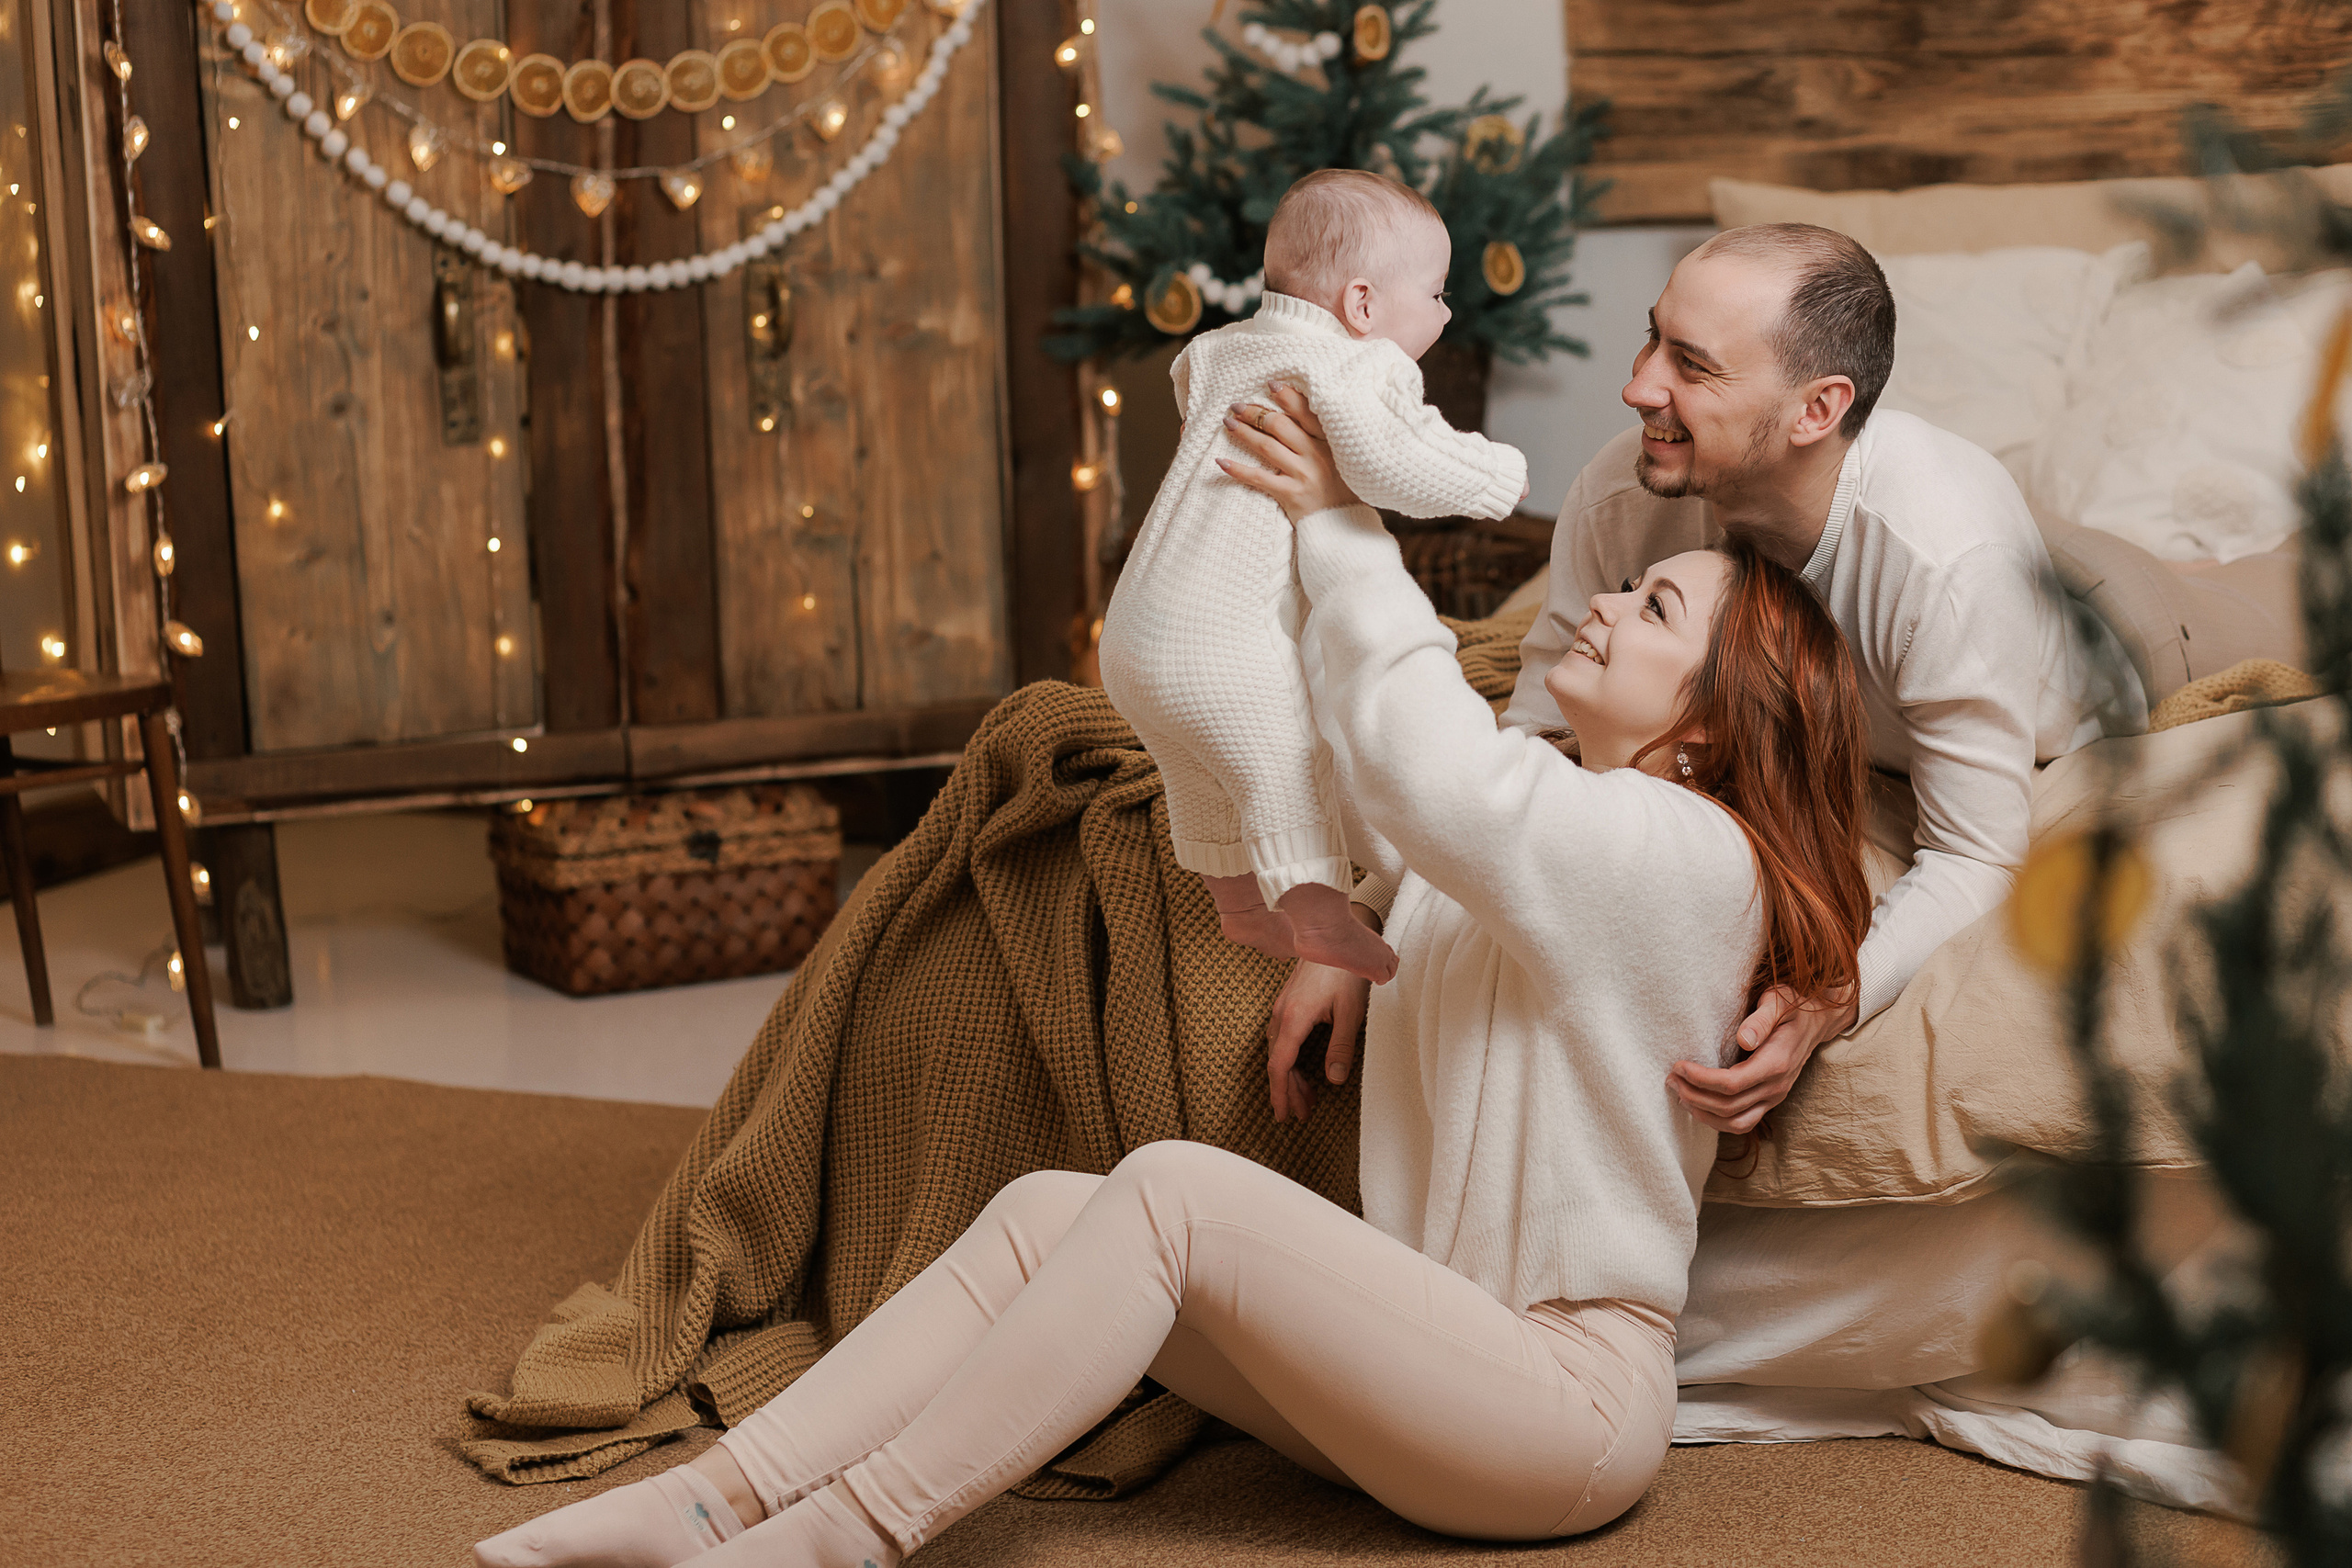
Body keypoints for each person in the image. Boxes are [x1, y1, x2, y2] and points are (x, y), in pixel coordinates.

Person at [471, 409, 1872, 1568]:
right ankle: (710, 1497)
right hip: (1430, 1370)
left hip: (1561, 1409)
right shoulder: (1582, 820)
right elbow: (1463, 864)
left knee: (1174, 1188)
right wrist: (1352, 936)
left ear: (1714, 725)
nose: (1613, 600)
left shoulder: (1692, 857)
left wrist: (1341, 520)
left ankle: (846, 1535)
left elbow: (1444, 782)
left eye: (1660, 605)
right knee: (1042, 1211)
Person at [1491, 221, 2147, 1137]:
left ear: (1816, 409)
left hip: (2112, 638)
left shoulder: (1949, 561)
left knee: (2231, 594)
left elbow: (1970, 854)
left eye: (1692, 364)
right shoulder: (1623, 494)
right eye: (1652, 339)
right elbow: (1530, 732)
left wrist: (1828, 1001)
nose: (1637, 385)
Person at [1097, 167, 1528, 987]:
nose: (1445, 313)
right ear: (1363, 306)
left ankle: (1238, 904)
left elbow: (1188, 382)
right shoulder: (1357, 367)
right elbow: (1397, 460)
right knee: (1291, 761)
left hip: (1133, 639)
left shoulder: (1224, 348)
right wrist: (1494, 475)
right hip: (1221, 647)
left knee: (1197, 772)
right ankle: (1325, 920)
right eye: (1436, 295)